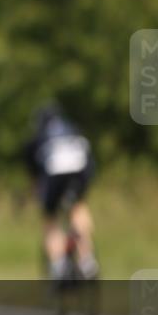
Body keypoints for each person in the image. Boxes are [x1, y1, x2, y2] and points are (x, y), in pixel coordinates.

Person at [23, 104, 99, 281]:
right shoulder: (74, 129)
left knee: (50, 218)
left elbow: (35, 172)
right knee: (78, 208)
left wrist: (37, 190)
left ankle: (59, 265)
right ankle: (87, 260)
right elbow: (89, 159)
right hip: (81, 173)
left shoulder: (39, 136)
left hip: (54, 176)